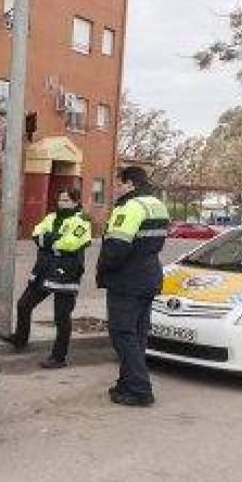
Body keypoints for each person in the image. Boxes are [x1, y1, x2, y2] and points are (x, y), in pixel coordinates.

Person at [96, 166, 171, 407]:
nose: (116, 189)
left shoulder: (130, 207)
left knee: (121, 333)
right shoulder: (157, 205)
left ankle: (139, 388)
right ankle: (127, 382)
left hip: (127, 279)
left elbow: (116, 247)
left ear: (129, 184)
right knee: (137, 333)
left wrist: (103, 271)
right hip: (149, 275)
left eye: (118, 184)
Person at [2, 188, 93, 368]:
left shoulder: (82, 221)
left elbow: (71, 244)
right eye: (60, 200)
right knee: (24, 304)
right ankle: (20, 339)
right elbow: (36, 235)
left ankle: (58, 358)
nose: (62, 203)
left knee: (61, 316)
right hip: (44, 269)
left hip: (67, 272)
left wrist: (48, 242)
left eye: (66, 200)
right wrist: (53, 242)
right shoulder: (51, 217)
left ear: (75, 202)